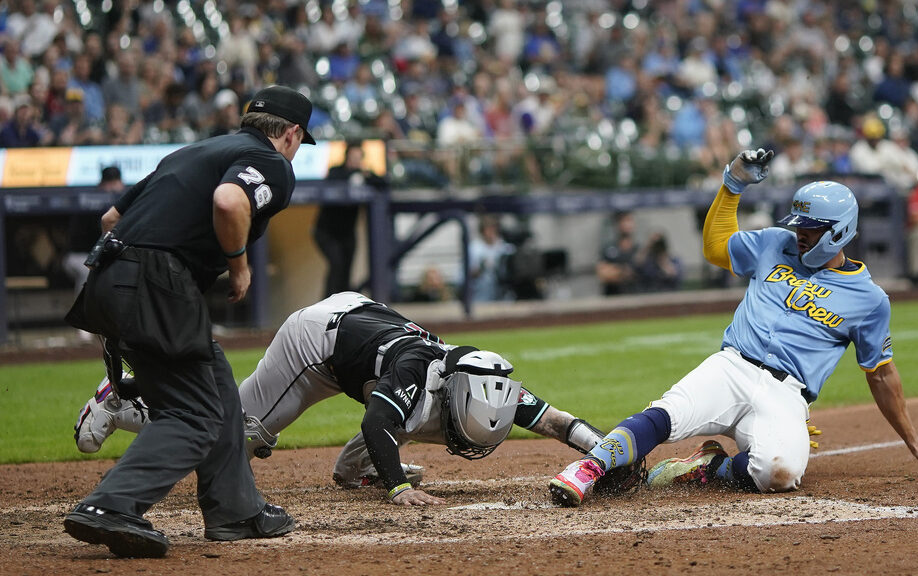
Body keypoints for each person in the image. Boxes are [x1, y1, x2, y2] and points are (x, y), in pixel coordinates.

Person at [549, 148, 918, 507]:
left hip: (787, 394)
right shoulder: (774, 243)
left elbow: (882, 373)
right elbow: (714, 248)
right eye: (798, 225)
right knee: (664, 414)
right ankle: (587, 468)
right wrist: (731, 186)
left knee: (780, 474)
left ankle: (714, 467)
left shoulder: (869, 300)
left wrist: (914, 442)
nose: (800, 235)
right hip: (731, 367)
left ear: (840, 232)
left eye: (811, 229)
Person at [62, 85, 316, 558]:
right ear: (291, 133)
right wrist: (238, 266)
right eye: (300, 141)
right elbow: (228, 201)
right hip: (157, 283)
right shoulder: (273, 163)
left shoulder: (195, 151)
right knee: (195, 412)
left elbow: (110, 218)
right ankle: (111, 505)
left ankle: (235, 511)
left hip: (107, 278)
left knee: (215, 384)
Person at [73, 291, 608, 506]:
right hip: (318, 341)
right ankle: (125, 402)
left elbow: (557, 423)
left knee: (403, 415)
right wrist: (398, 488)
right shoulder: (417, 376)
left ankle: (354, 472)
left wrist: (604, 449)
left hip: (364, 334)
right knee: (238, 433)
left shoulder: (487, 383)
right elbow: (378, 426)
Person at [313, 142, 384, 298]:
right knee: (337, 264)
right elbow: (334, 180)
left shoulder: (363, 175)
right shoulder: (336, 172)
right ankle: (326, 304)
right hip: (327, 232)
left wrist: (365, 175)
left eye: (359, 158)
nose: (355, 161)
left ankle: (344, 307)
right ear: (346, 157)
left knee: (346, 270)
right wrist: (354, 176)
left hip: (347, 233)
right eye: (353, 157)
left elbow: (383, 182)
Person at [63, 166, 124, 296]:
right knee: (88, 271)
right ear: (102, 184)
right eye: (110, 184)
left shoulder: (122, 201)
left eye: (116, 183)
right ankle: (82, 311)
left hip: (103, 255)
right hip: (78, 255)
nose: (113, 188)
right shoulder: (90, 200)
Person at [468, 214, 514, 302]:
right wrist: (480, 268)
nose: (491, 231)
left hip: (504, 298)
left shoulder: (505, 247)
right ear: (482, 231)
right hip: (481, 298)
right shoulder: (474, 248)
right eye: (488, 229)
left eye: (494, 228)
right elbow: (464, 277)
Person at [596, 211, 639, 296]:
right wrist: (624, 272)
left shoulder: (638, 249)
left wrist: (615, 270)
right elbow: (603, 275)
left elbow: (641, 275)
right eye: (623, 221)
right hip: (613, 298)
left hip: (635, 297)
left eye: (629, 220)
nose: (626, 224)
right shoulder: (608, 249)